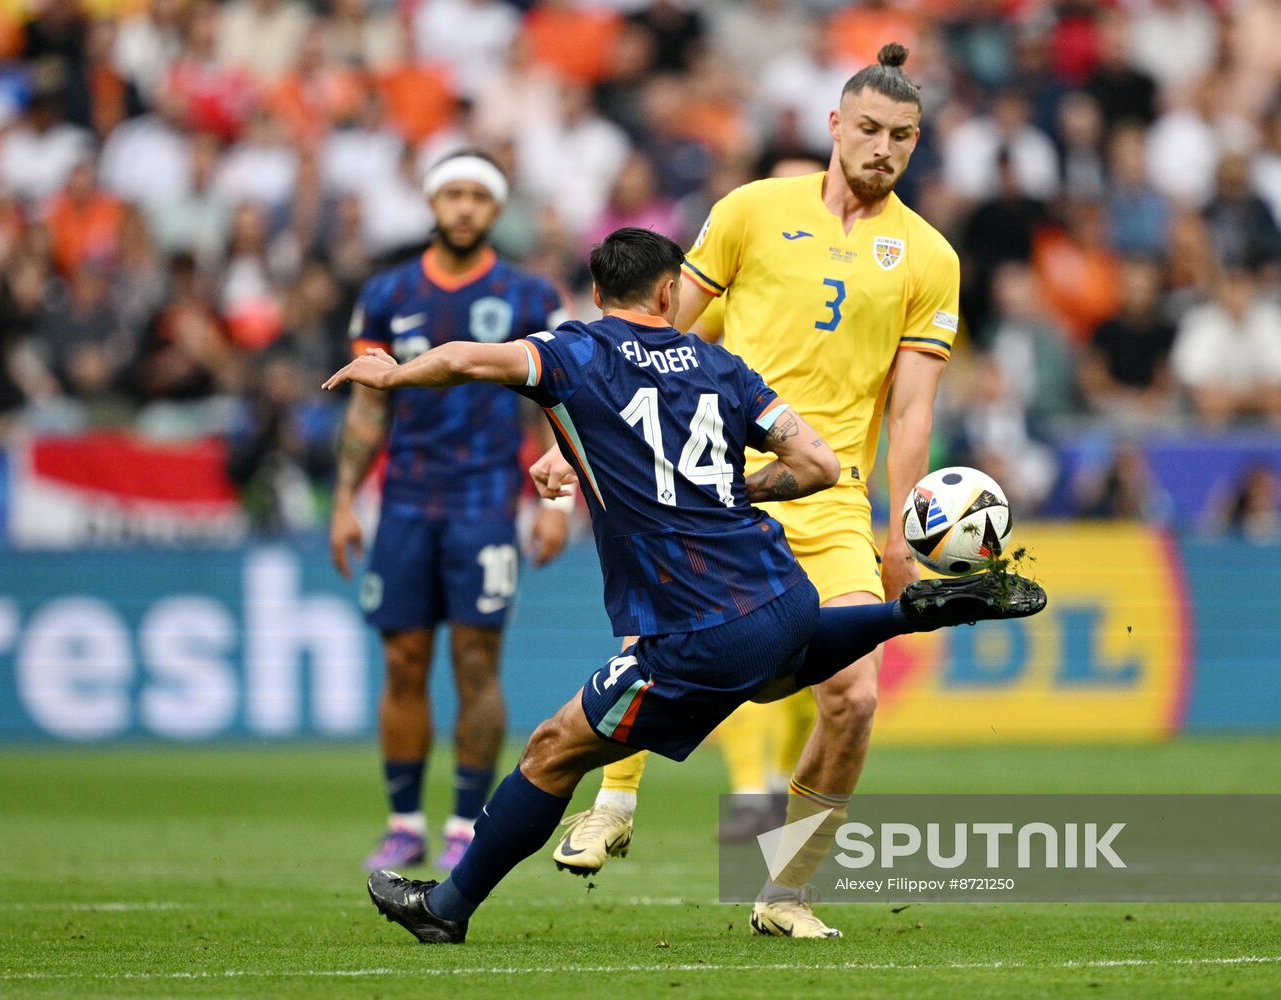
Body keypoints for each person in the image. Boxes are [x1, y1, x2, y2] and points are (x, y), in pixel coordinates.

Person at [322, 227, 1047, 945]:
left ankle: (445, 906)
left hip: (693, 629)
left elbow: (466, 360)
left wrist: (393, 375)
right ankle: (911, 613)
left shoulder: (574, 350)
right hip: (784, 594)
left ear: (600, 293)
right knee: (772, 671)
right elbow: (820, 465)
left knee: (553, 747)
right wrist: (735, 489)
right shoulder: (722, 366)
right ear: (670, 293)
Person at [533, 42, 960, 938]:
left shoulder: (928, 256)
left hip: (832, 497)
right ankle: (612, 800)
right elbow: (642, 349)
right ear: (834, 125)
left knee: (855, 699)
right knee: (664, 649)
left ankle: (785, 890)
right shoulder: (751, 211)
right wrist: (575, 455)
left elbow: (913, 406)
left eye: (904, 138)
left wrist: (906, 532)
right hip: (714, 489)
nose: (884, 149)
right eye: (871, 129)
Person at [329, 150, 571, 873]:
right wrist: (345, 498)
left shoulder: (530, 296)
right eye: (451, 194)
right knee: (403, 661)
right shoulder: (387, 293)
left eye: (477, 196)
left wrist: (555, 502)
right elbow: (369, 406)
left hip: (487, 501)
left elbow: (554, 401)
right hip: (404, 500)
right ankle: (404, 820)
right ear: (433, 203)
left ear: (495, 209)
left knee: (476, 661)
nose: (463, 207)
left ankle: (465, 820)